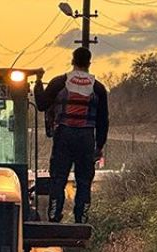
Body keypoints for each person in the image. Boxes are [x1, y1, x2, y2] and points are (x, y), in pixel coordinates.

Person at [34, 47, 109, 223]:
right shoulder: (98, 88)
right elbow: (103, 121)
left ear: (72, 61)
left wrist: (38, 82)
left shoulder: (60, 83)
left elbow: (42, 104)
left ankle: (54, 216)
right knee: (84, 180)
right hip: (86, 137)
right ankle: (81, 219)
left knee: (58, 178)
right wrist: (99, 146)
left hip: (64, 135)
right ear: (89, 63)